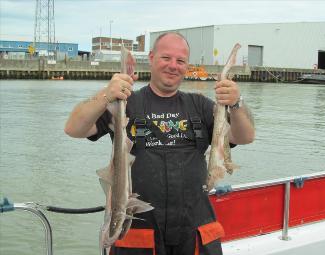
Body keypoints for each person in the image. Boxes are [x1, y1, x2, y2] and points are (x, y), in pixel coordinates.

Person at [64, 32, 255, 255]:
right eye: (166, 58)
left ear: (186, 66)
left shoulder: (201, 106)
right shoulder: (125, 104)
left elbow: (244, 137)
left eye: (180, 61)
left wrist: (236, 103)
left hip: (194, 231)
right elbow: (74, 129)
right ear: (152, 58)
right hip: (139, 231)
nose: (173, 66)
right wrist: (106, 94)